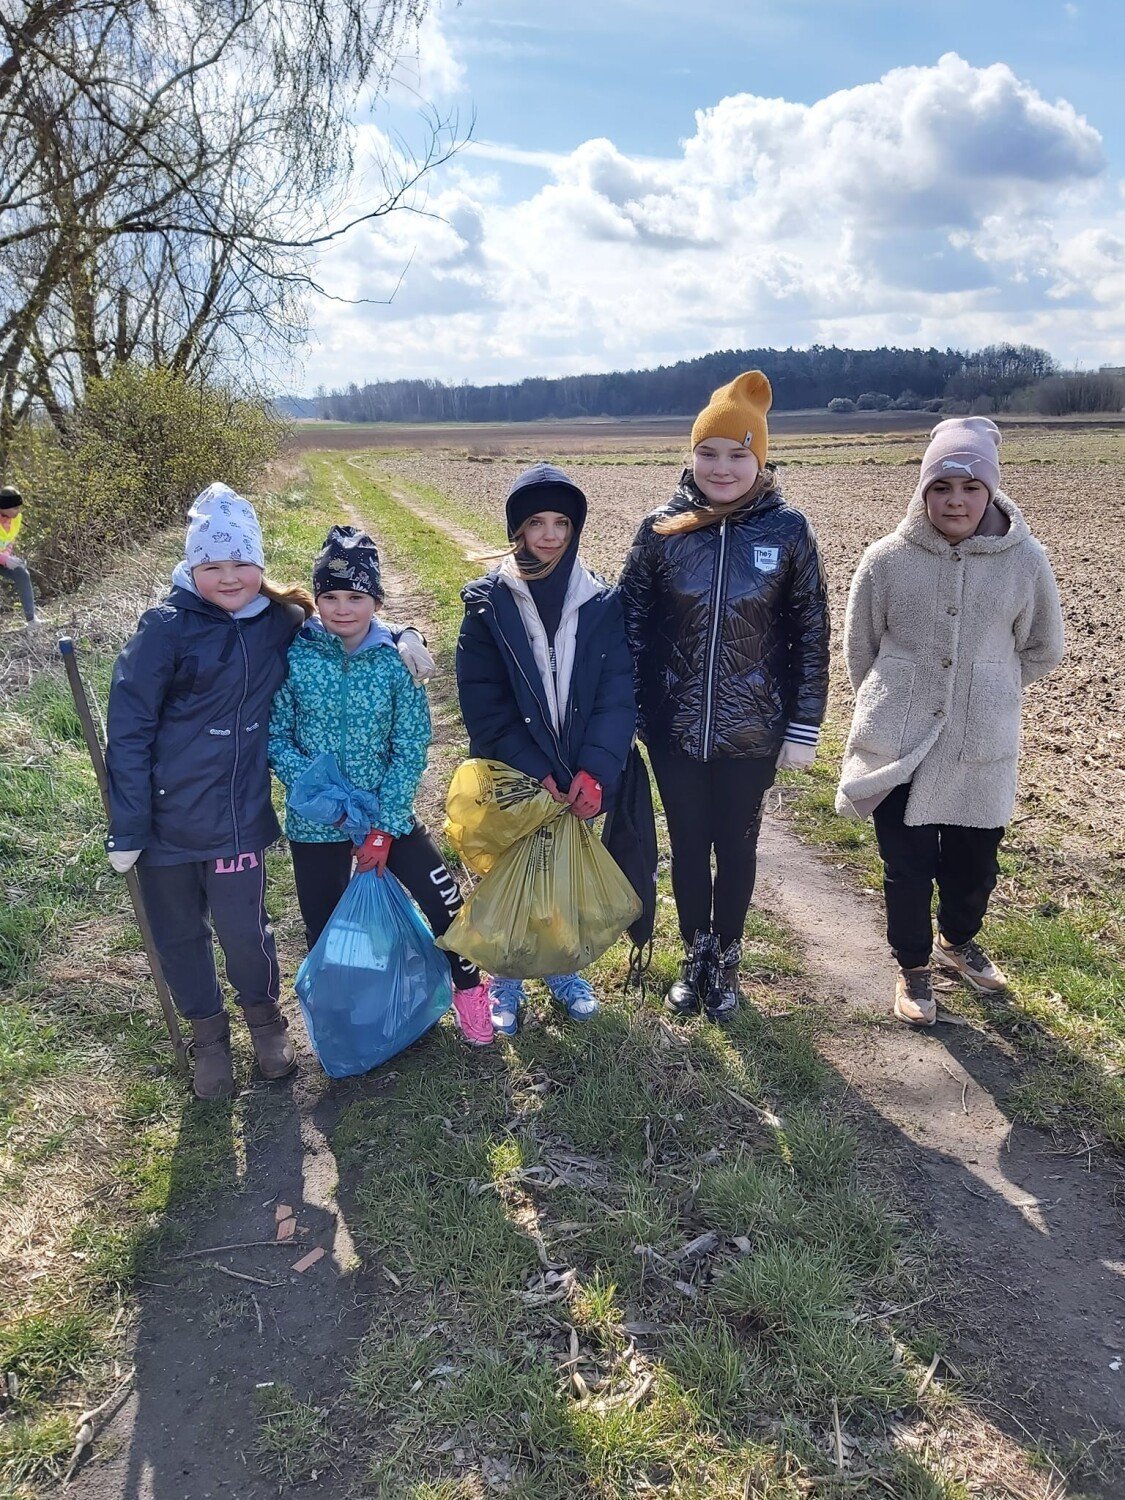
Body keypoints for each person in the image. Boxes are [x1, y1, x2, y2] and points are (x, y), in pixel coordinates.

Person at [105, 484, 435, 1098]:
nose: (229, 578)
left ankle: (264, 1022)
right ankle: (208, 1037)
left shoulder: (278, 618)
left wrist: (403, 634)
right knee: (179, 933)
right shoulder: (164, 630)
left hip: (237, 818)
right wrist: (128, 827)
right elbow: (126, 731)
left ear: (260, 564)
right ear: (191, 566)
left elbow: (349, 616)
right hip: (164, 823)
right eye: (212, 565)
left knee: (244, 929)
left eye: (241, 563)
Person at [835, 417, 1065, 1027]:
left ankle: (956, 941)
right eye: (941, 487)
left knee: (974, 865)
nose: (955, 499)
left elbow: (1043, 646)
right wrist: (895, 697)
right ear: (923, 491)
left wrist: (988, 687)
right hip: (899, 739)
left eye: (969, 486)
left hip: (980, 742)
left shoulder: (1024, 561)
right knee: (905, 866)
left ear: (990, 491)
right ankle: (913, 968)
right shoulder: (886, 559)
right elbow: (860, 649)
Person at [619, 372, 830, 1022]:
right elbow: (627, 625)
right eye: (708, 452)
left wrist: (802, 725)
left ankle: (727, 958)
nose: (722, 467)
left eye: (738, 454)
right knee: (685, 846)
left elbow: (811, 633)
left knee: (735, 847)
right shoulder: (662, 531)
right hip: (674, 729)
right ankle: (694, 954)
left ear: (758, 458)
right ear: (690, 455)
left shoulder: (787, 532)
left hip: (752, 735)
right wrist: (623, 713)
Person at [268, 524, 494, 1047]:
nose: (342, 608)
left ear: (376, 600)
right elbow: (277, 735)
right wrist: (329, 804)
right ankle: (348, 1017)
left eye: (356, 596)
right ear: (316, 598)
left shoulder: (396, 661)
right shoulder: (296, 655)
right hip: (316, 823)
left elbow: (411, 744)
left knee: (444, 900)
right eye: (330, 596)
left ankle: (468, 993)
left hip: (385, 816)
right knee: (329, 929)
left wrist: (383, 825)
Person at [455, 463, 636, 1035]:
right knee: (509, 876)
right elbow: (483, 703)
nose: (551, 535)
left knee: (559, 877)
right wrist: (536, 770)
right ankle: (506, 978)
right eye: (537, 523)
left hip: (579, 770)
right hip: (515, 772)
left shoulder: (601, 600)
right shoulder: (487, 605)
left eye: (562, 522)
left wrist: (596, 769)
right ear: (518, 530)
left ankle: (560, 970)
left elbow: (616, 694)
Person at [0, 485, 41, 627]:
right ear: (3, 507)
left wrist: (7, 557)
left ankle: (31, 620)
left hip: (2, 559)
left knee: (22, 573)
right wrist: (5, 559)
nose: (18, 511)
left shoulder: (16, 519)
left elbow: (10, 540)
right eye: (15, 508)